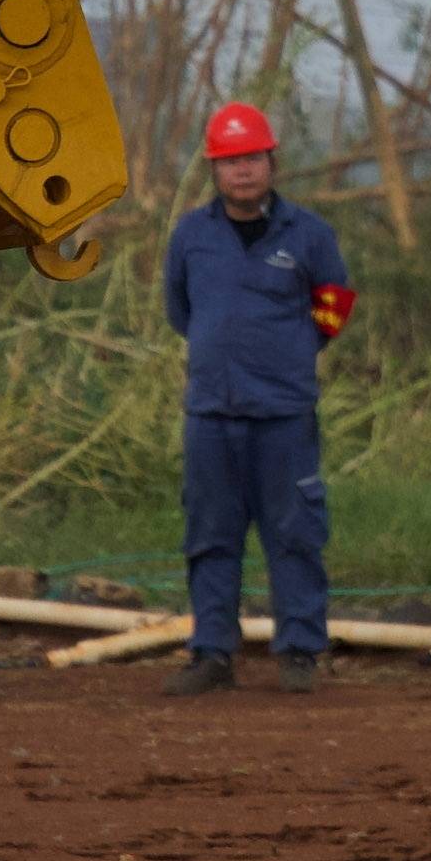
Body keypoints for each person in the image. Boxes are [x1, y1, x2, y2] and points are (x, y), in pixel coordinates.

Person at [159, 102, 354, 697]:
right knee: (211, 537)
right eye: (229, 160)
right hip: (212, 415)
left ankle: (298, 652)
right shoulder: (191, 235)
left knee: (295, 536)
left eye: (251, 157)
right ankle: (213, 653)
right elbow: (180, 310)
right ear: (214, 170)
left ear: (272, 161)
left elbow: (334, 305)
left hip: (283, 416)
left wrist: (290, 349)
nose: (242, 170)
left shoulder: (310, 235)